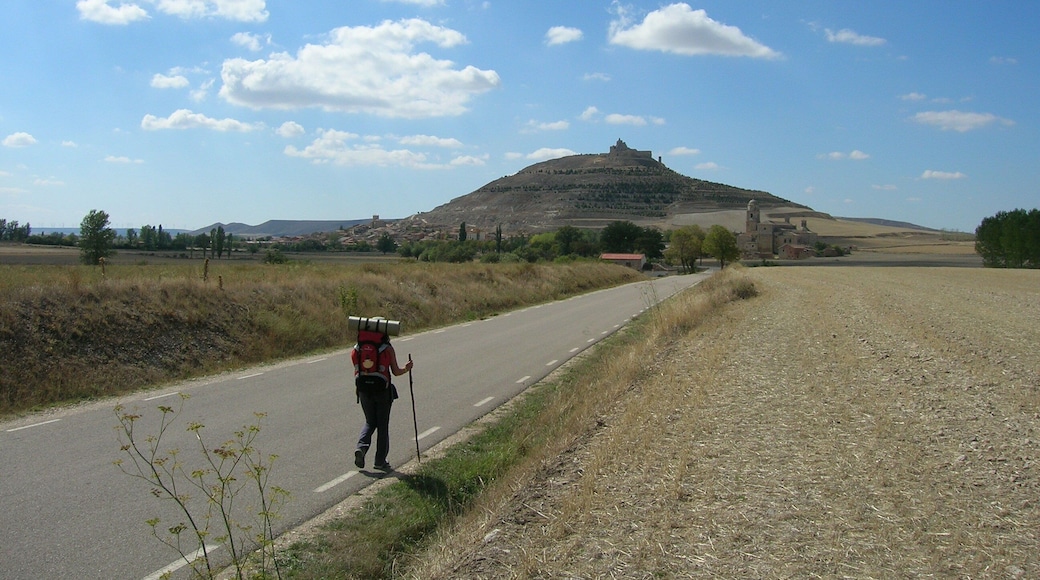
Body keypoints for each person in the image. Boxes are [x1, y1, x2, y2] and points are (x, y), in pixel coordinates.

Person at [352, 327, 413, 472]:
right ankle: (380, 461)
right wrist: (407, 368)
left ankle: (361, 447)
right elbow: (396, 372)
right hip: (382, 391)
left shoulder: (357, 349)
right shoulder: (387, 349)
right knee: (382, 425)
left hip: (363, 390)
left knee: (369, 422)